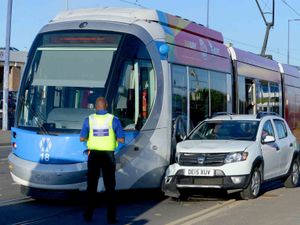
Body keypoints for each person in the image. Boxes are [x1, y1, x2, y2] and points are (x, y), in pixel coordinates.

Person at [80, 97, 125, 224]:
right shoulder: (113, 119)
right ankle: (111, 218)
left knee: (91, 186)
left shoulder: (89, 119)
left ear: (95, 106)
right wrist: (113, 142)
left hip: (93, 155)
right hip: (108, 156)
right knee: (110, 187)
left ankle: (88, 215)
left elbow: (82, 138)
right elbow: (121, 140)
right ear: (106, 105)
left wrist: (90, 141)